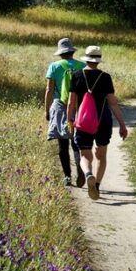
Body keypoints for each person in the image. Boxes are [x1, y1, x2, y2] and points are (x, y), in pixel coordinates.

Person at [67, 46, 129, 200]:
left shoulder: (76, 76)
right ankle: (97, 185)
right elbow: (113, 103)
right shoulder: (105, 77)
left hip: (83, 121)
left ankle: (88, 174)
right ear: (98, 60)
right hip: (103, 120)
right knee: (101, 155)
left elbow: (71, 102)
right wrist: (122, 124)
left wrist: (70, 120)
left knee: (85, 154)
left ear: (86, 59)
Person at [45, 37, 85, 187]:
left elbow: (49, 89)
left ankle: (67, 176)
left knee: (62, 144)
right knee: (76, 142)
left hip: (60, 105)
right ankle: (80, 168)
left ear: (60, 53)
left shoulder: (54, 66)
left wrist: (47, 109)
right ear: (72, 51)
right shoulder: (83, 65)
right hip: (79, 107)